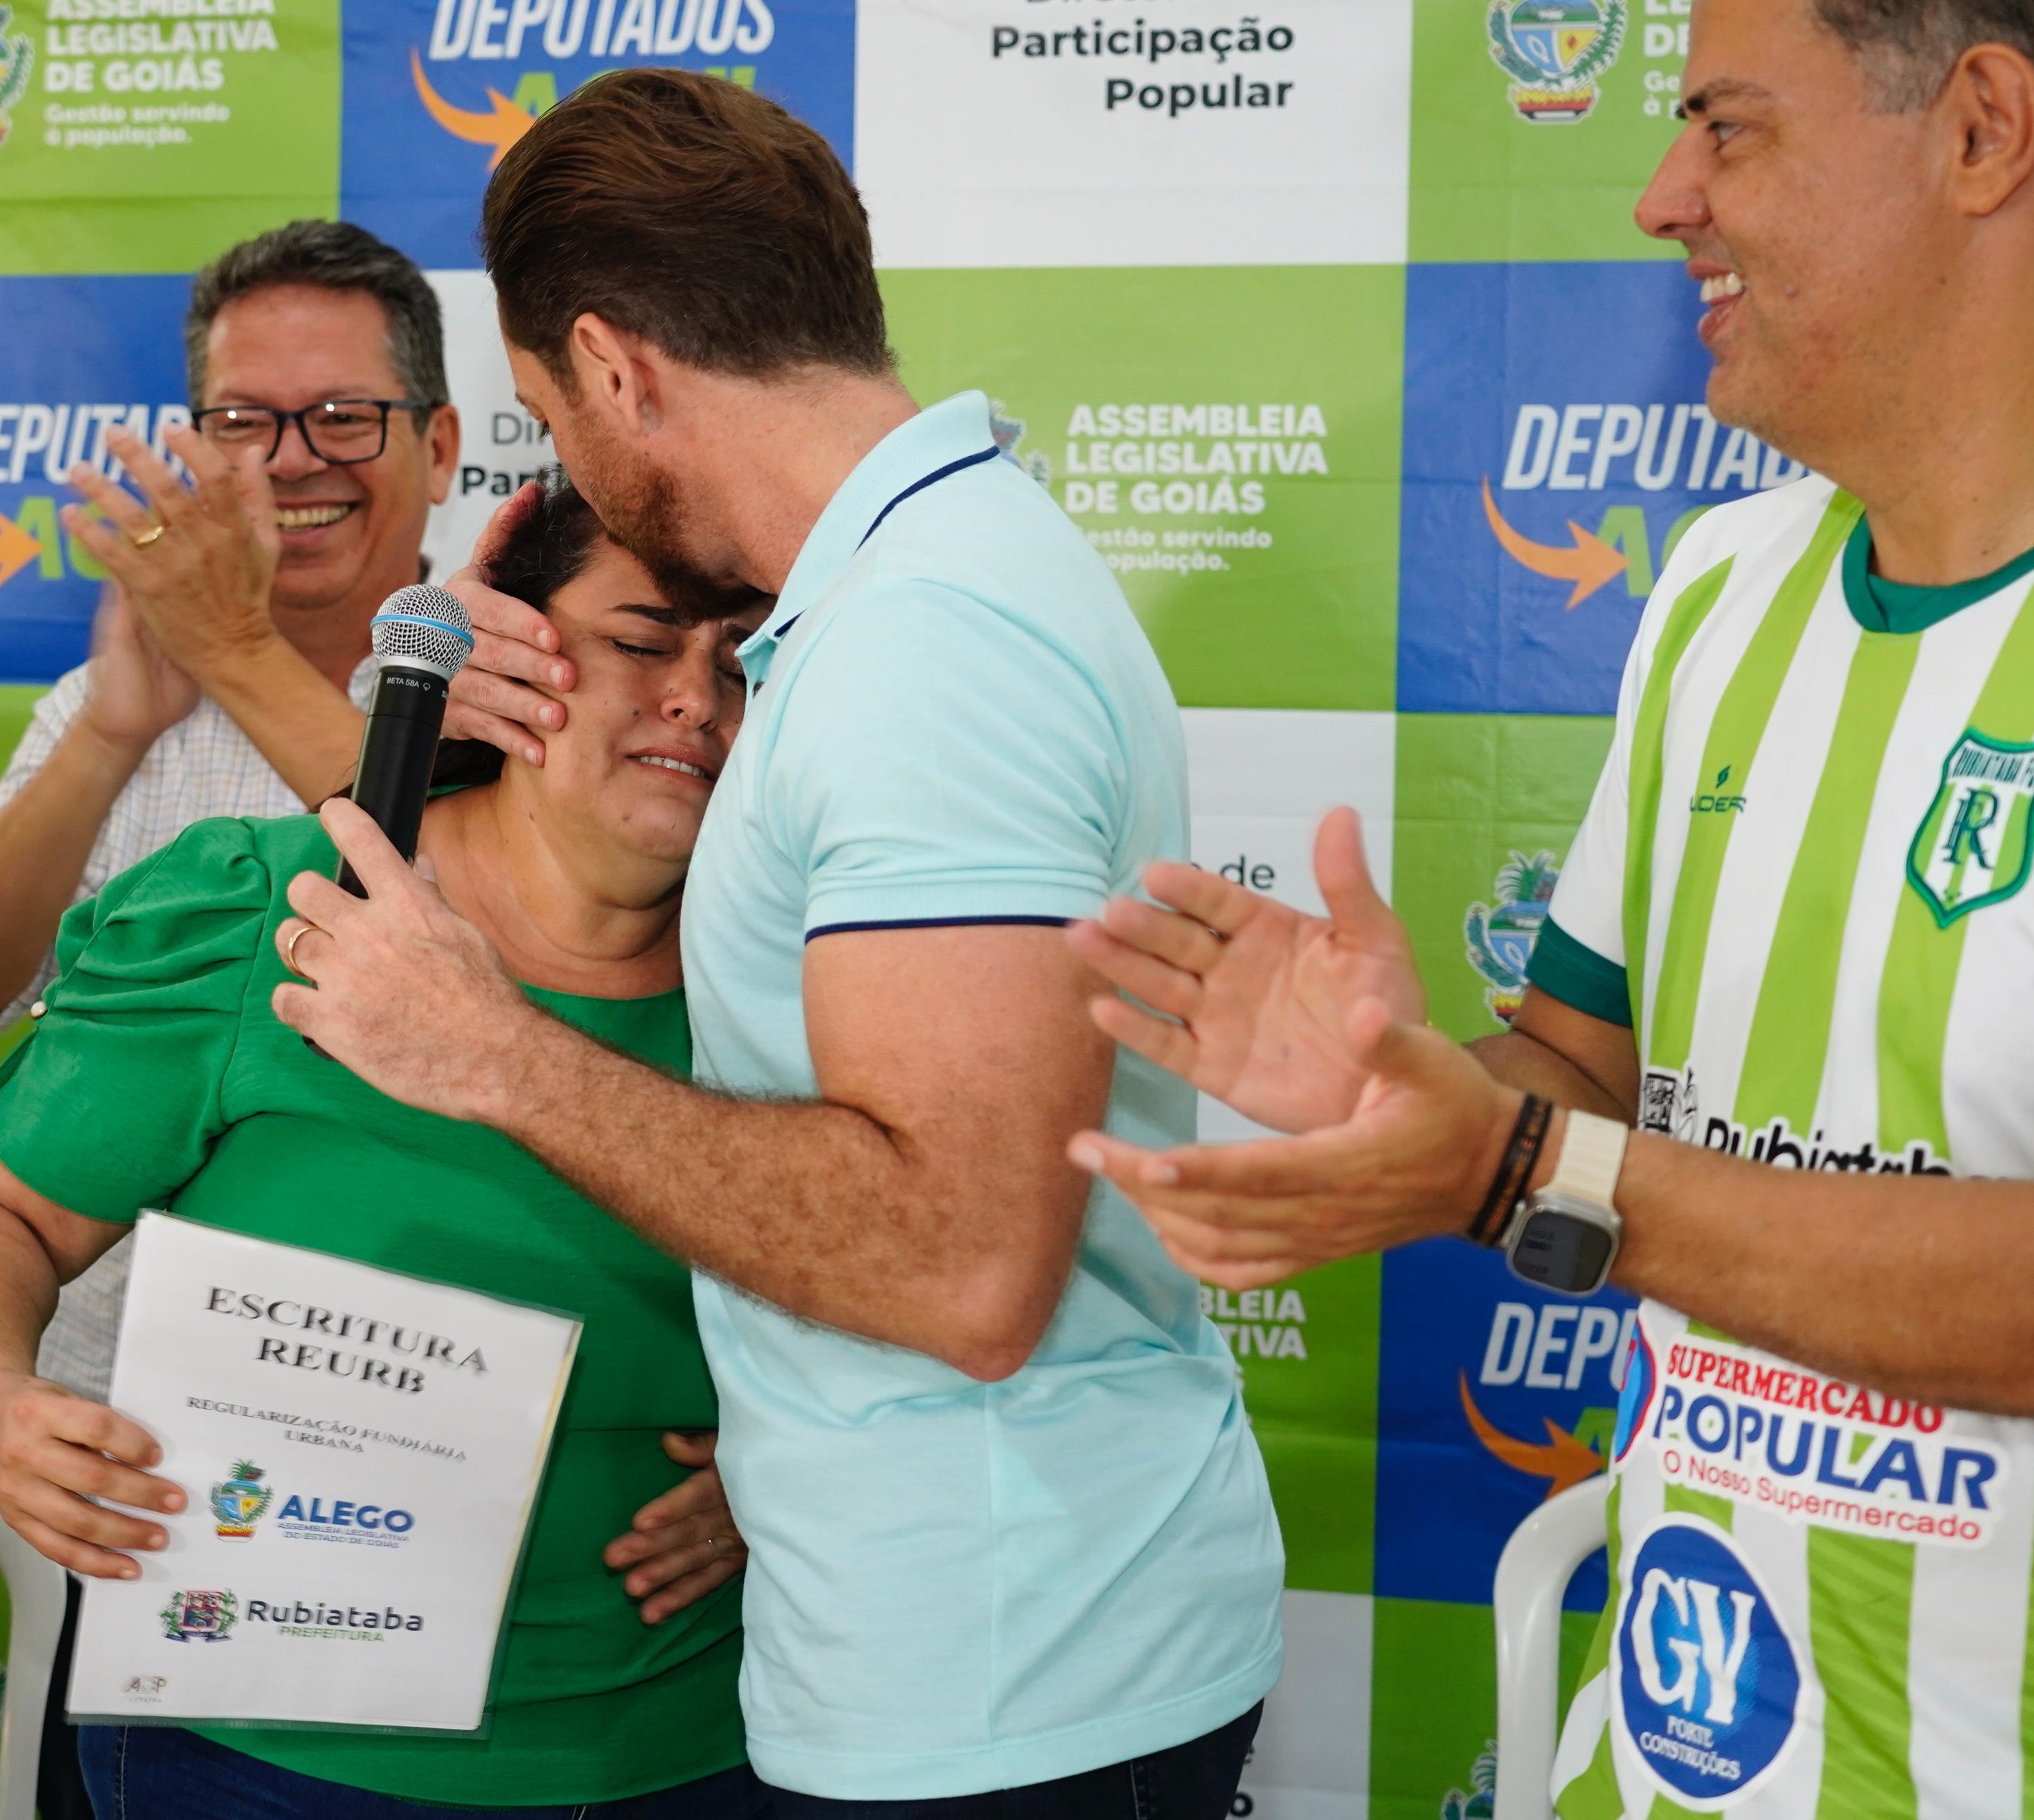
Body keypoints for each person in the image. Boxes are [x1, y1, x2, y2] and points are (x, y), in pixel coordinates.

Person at [1062, 4, 2034, 1813]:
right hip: (1671, 1753)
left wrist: (1526, 1166)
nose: (1657, 195)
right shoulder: (1720, 585)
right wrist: (1414, 1091)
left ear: (1983, 130)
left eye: (1728, 129)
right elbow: (1575, 1072)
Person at [270, 71, 1280, 1819]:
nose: (562, 467)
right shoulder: (890, 598)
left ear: (613, 367)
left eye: (542, 413)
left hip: (1001, 1684)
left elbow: (961, 1265)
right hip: (962, 1654)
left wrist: (489, 1049)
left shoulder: (924, 644)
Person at [0, 478, 764, 1819]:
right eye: (643, 643)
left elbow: (914, 1273)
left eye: (744, 662)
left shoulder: (815, 986)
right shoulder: (268, 907)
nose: (696, 703)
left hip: (692, 1755)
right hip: (259, 1760)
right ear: (505, 651)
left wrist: (788, 1462)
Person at [0, 219, 460, 1405]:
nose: (294, 462)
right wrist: (108, 733)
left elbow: (465, 943)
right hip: (123, 1430)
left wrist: (235, 646)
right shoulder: (115, 700)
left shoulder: (524, 682)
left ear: (444, 445)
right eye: (244, 422)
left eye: (346, 416)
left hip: (437, 1421)